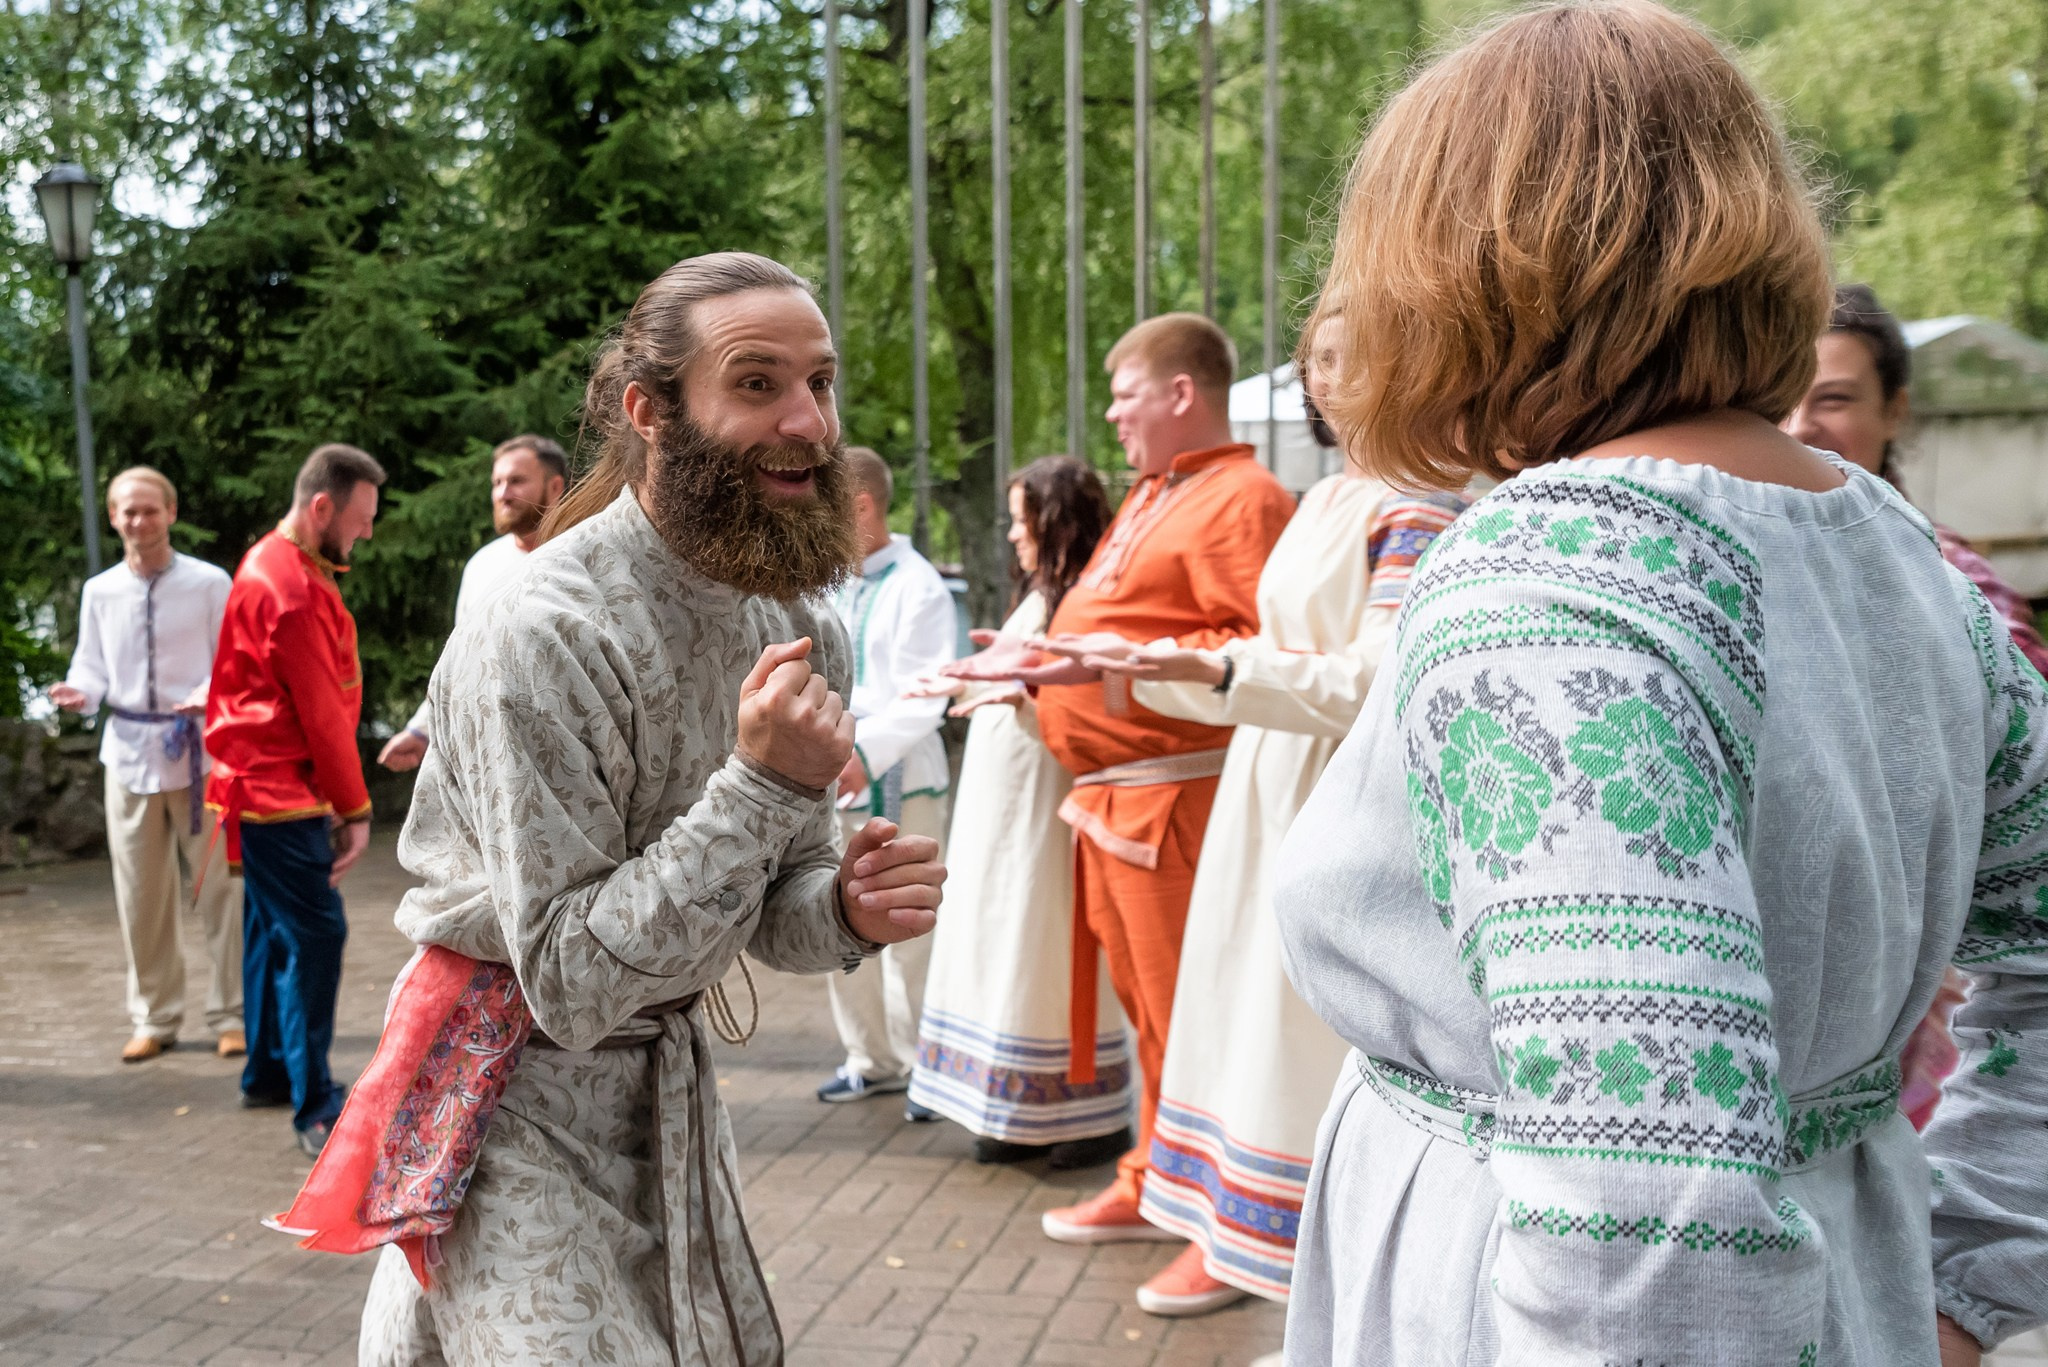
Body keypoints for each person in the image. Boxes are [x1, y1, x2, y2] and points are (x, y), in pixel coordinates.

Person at [1274, 5, 2045, 1365]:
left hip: (1525, 1303)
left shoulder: (1542, 585)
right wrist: (1960, 1284)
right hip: (1845, 1282)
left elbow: (1647, 1188)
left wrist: (1968, 1276)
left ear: (1453, 266)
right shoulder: (1898, 548)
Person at [349, 252, 944, 1364]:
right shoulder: (543, 629)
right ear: (650, 411)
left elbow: (776, 906)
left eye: (820, 382)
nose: (807, 421)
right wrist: (762, 781)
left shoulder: (800, 625)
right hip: (506, 1098)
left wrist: (848, 909)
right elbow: (569, 982)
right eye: (756, 383)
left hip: (667, 1100)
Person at [1046, 309, 1467, 1319]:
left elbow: (1376, 675)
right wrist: (1152, 668)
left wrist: (1212, 668)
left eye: (1342, 355)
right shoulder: (1332, 493)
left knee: (1290, 1029)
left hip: (1329, 788)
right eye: (1314, 359)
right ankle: (1234, 1228)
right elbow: (1258, 646)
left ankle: (1297, 1267)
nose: (1322, 379)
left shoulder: (1417, 504)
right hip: (1261, 784)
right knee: (1229, 1012)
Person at [952, 311, 1295, 1242]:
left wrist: (1090, 661)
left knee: (1189, 1015)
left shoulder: (1241, 498)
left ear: (1182, 394)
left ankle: (1207, 1215)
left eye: (1125, 394)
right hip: (1117, 801)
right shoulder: (1159, 491)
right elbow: (1127, 632)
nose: (1111, 415)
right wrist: (1036, 666)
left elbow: (1255, 652)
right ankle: (1154, 1178)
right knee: (1153, 1018)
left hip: (1174, 799)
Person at [905, 454, 1133, 1167]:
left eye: (1020, 519)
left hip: (1047, 796)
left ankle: (1086, 1115)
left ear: (1056, 520)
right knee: (998, 938)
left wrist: (1026, 698)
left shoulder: (1087, 601)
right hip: (1002, 802)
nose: (1010, 534)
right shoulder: (1044, 596)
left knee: (1042, 940)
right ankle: (1008, 1108)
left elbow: (1104, 701)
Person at [206, 443, 384, 1157]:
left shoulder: (274, 564)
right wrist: (358, 810)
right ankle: (314, 1107)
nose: (366, 531)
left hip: (258, 785)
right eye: (361, 517)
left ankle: (267, 1072)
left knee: (269, 928)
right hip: (281, 793)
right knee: (315, 935)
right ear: (321, 507)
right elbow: (321, 715)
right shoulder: (295, 589)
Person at [51, 467, 240, 1063]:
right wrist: (79, 692)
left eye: (149, 510)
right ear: (113, 518)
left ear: (171, 512)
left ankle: (232, 1013)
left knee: (221, 890)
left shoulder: (211, 583)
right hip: (129, 754)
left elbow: (232, 661)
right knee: (140, 894)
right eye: (128, 511)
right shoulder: (100, 591)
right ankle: (155, 1017)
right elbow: (91, 666)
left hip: (202, 756)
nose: (139, 521)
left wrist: (206, 693)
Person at [815, 447, 958, 1113]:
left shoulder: (918, 585)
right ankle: (869, 1058)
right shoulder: (826, 581)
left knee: (908, 925)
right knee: (835, 916)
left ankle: (926, 1067)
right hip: (829, 779)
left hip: (898, 777)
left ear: (862, 506)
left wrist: (859, 751)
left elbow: (926, 697)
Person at [376, 435, 570, 773]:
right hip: (498, 760)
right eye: (497, 483)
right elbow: (461, 664)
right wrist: (421, 731)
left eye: (516, 481)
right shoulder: (482, 567)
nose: (502, 493)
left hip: (572, 751)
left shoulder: (582, 557)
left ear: (555, 487)